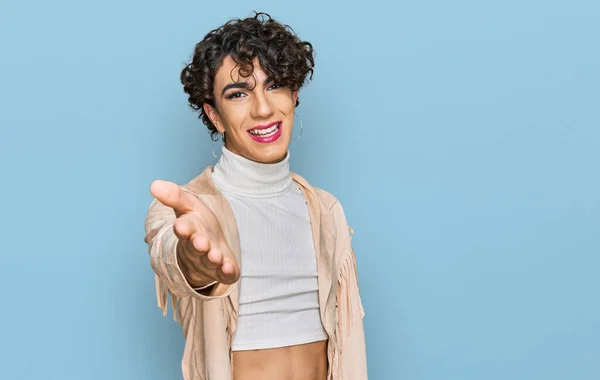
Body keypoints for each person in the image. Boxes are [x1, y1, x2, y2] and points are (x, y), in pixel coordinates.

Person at [144, 12, 367, 380]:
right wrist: (197, 263)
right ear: (214, 116)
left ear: (294, 96)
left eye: (274, 85)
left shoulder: (326, 211)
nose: (263, 108)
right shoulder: (188, 208)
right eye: (238, 93)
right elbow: (172, 254)